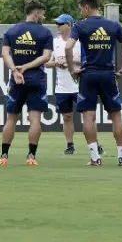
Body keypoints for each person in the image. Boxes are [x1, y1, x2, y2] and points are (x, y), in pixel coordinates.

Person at [65, 0, 122, 167]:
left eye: (81, 9)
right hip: (108, 74)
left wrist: (71, 69)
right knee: (116, 115)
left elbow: (68, 46)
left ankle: (95, 158)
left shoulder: (81, 26)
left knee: (88, 116)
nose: (81, 12)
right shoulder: (113, 25)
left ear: (87, 8)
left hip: (88, 75)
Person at [0, 0, 53, 167]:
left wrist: (15, 70)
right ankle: (31, 157)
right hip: (36, 79)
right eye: (42, 13)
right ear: (36, 13)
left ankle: (3, 156)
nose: (43, 16)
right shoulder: (45, 32)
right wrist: (26, 67)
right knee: (35, 119)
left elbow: (5, 54)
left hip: (16, 80)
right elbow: (46, 57)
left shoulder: (12, 30)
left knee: (11, 118)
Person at [46, 14, 80, 155]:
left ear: (70, 25)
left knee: (89, 116)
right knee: (67, 117)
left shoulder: (80, 42)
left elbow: (89, 60)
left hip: (80, 85)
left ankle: (95, 144)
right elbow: (47, 62)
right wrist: (57, 63)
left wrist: (75, 62)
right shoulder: (54, 42)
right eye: (57, 24)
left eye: (60, 24)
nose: (58, 26)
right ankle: (70, 144)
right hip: (62, 87)